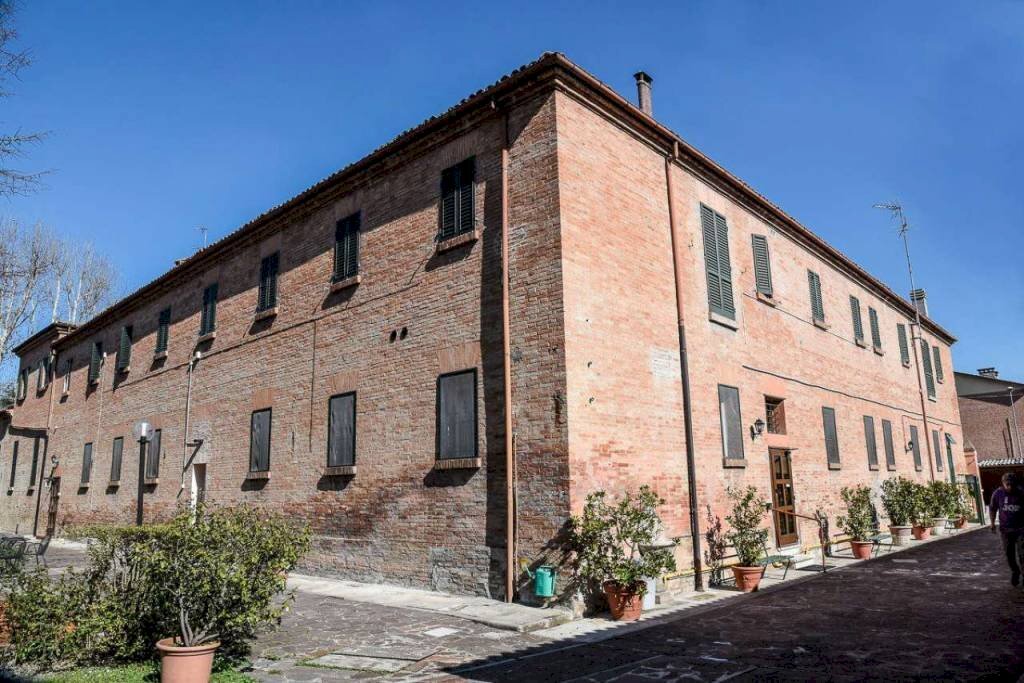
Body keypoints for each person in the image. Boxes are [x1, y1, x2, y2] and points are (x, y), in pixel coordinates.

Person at [989, 472, 1024, 587]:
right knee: (1009, 555)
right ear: (1003, 483)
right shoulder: (998, 494)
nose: (1010, 487)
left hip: (1020, 530)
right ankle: (1015, 571)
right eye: (1007, 484)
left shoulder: (1021, 493)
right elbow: (993, 509)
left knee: (1022, 554)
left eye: (1012, 484)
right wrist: (992, 523)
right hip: (1005, 530)